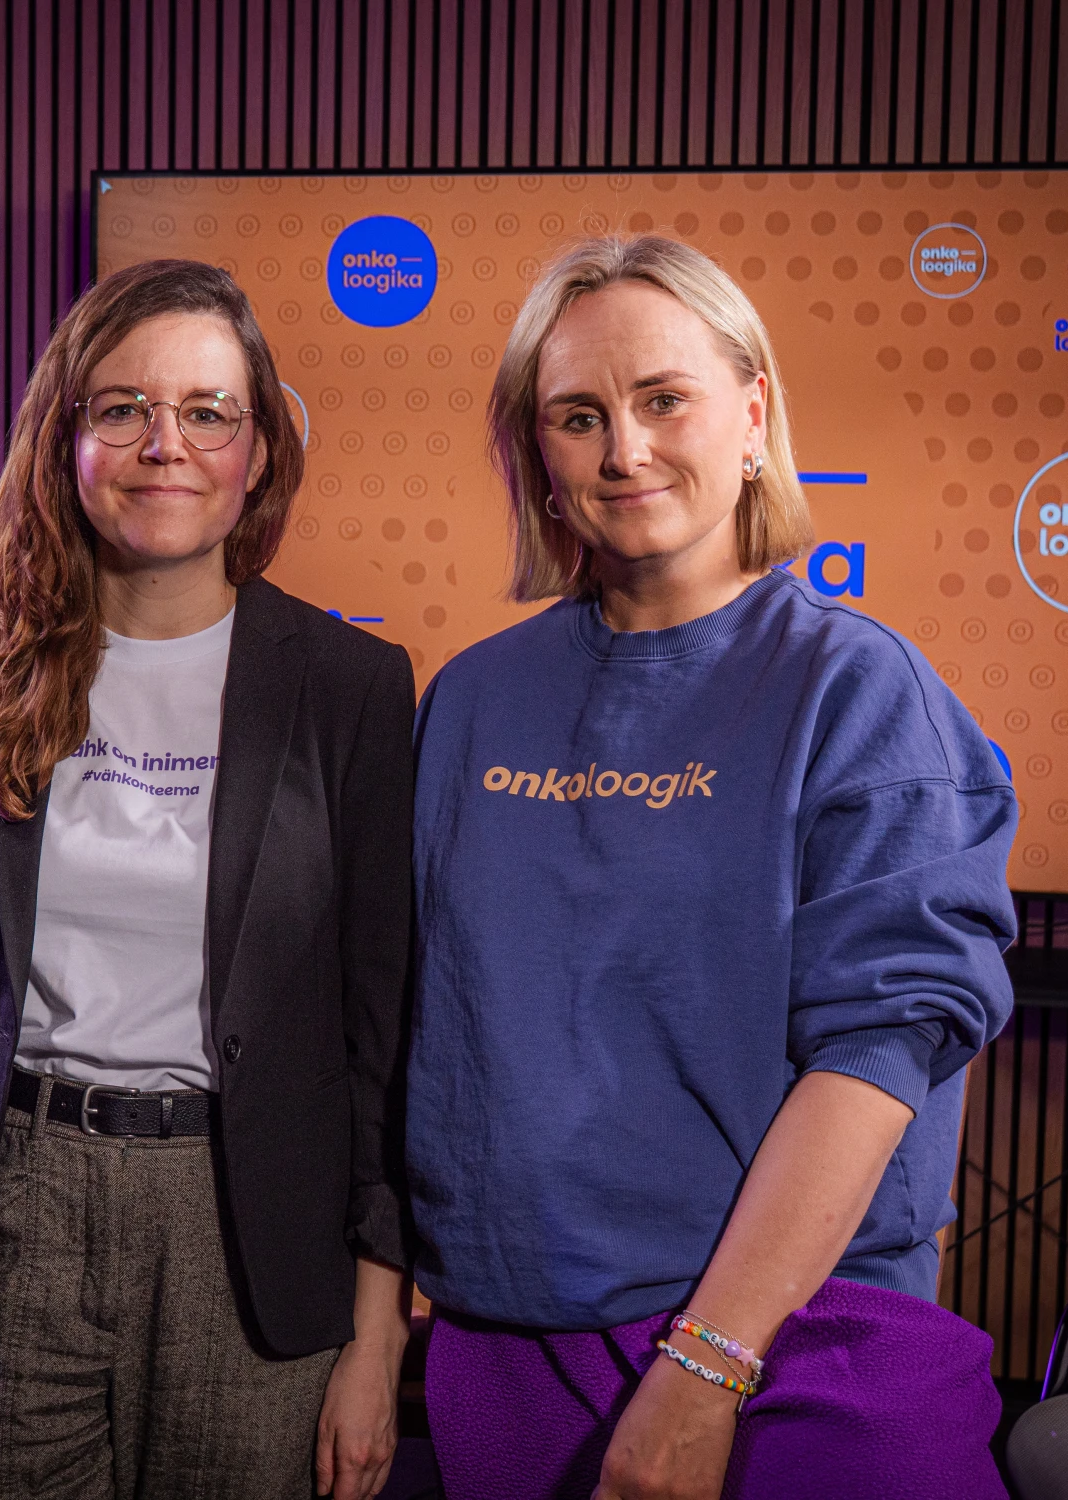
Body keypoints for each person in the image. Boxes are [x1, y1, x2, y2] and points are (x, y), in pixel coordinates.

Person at [406, 234, 1019, 1500]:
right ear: (537, 453)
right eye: (577, 416)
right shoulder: (469, 702)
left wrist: (707, 1365)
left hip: (791, 1341)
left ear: (750, 416)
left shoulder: (857, 692)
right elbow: (412, 1031)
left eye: (663, 399)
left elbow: (874, 1054)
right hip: (509, 1339)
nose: (623, 450)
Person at [0, 258, 415, 1500]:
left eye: (206, 411)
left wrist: (377, 1337)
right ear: (67, 440)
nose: (166, 445)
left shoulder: (350, 690)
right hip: (11, 1215)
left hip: (249, 1232)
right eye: (122, 408)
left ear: (256, 453)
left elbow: (381, 1041)